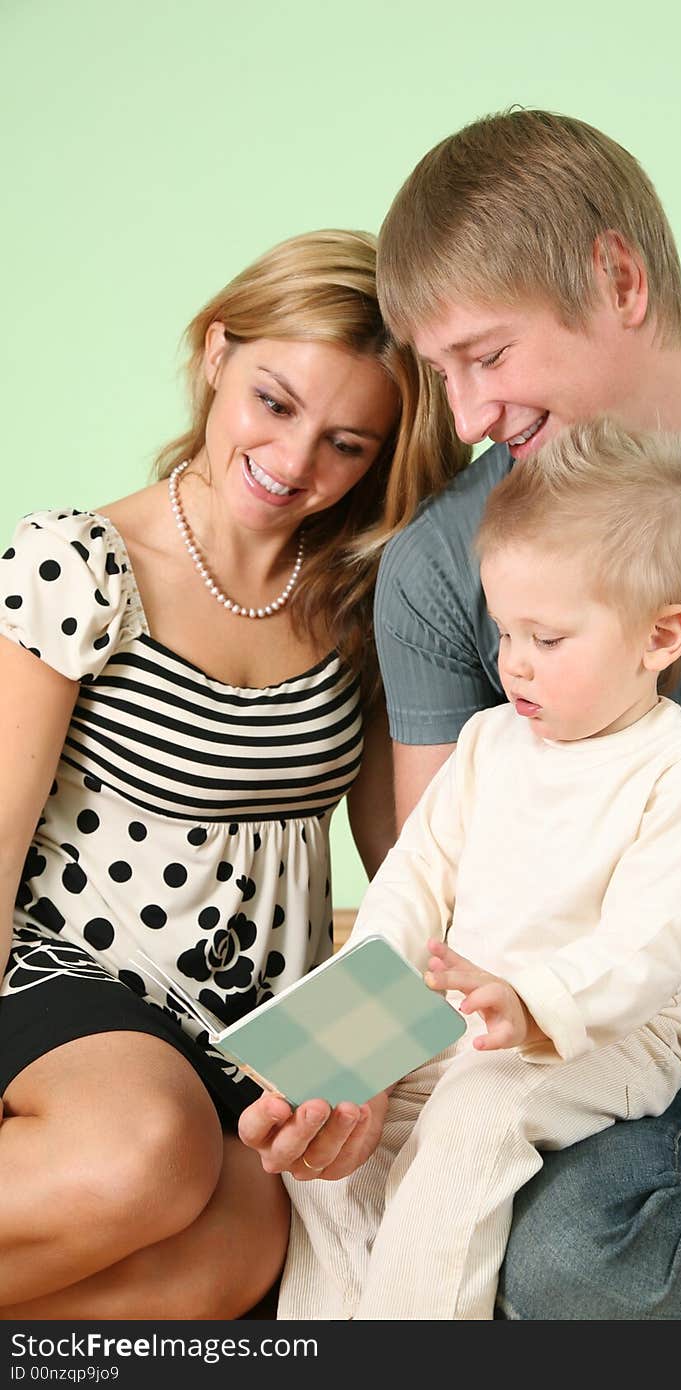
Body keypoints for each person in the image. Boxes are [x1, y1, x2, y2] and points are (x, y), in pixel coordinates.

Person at [367, 109, 681, 1319]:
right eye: (442, 374)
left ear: (618, 279)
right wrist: (333, 1074)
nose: (468, 415)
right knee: (562, 1268)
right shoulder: (444, 565)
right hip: (616, 1042)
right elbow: (423, 900)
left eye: (485, 357)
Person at [0, 228, 467, 1320]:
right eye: (274, 401)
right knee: (145, 1144)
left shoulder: (369, 602)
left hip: (247, 1033)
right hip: (63, 982)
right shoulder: (78, 561)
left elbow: (410, 867)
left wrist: (363, 1056)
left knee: (253, 1244)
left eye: (348, 443)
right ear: (216, 353)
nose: (297, 461)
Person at [273, 418, 681, 1321]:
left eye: (549, 638)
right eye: (504, 630)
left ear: (661, 636)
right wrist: (354, 1021)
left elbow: (646, 949)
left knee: (474, 1120)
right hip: (465, 1017)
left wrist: (533, 1005)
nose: (513, 662)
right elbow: (415, 876)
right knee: (334, 1139)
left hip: (609, 1032)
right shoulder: (493, 740)